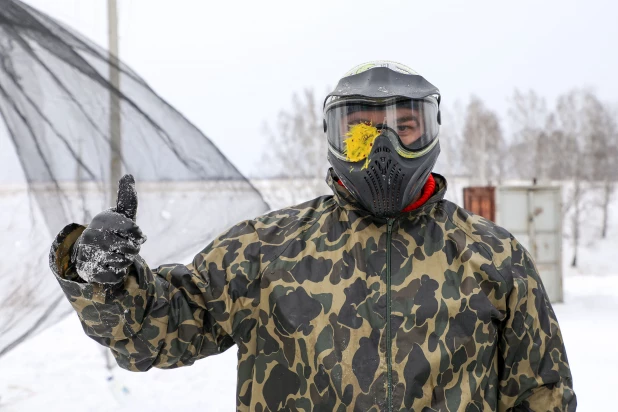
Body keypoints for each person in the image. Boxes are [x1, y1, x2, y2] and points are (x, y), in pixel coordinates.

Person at [49, 61, 576, 411]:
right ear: (336, 138)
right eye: (362, 131)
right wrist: (104, 278)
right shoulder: (267, 249)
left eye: (404, 127)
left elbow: (542, 396)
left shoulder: (493, 256)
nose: (382, 148)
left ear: (431, 131)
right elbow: (152, 334)